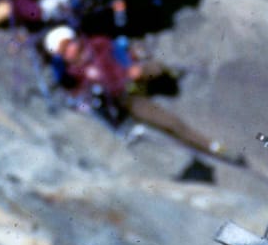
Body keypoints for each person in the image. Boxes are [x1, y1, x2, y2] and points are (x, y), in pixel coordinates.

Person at [41, 25, 244, 166]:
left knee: (154, 66)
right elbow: (87, 98)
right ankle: (215, 148)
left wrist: (132, 65)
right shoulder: (75, 76)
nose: (69, 50)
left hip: (135, 74)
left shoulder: (98, 44)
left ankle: (177, 71)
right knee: (170, 124)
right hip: (126, 96)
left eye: (69, 44)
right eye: (63, 50)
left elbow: (123, 52)